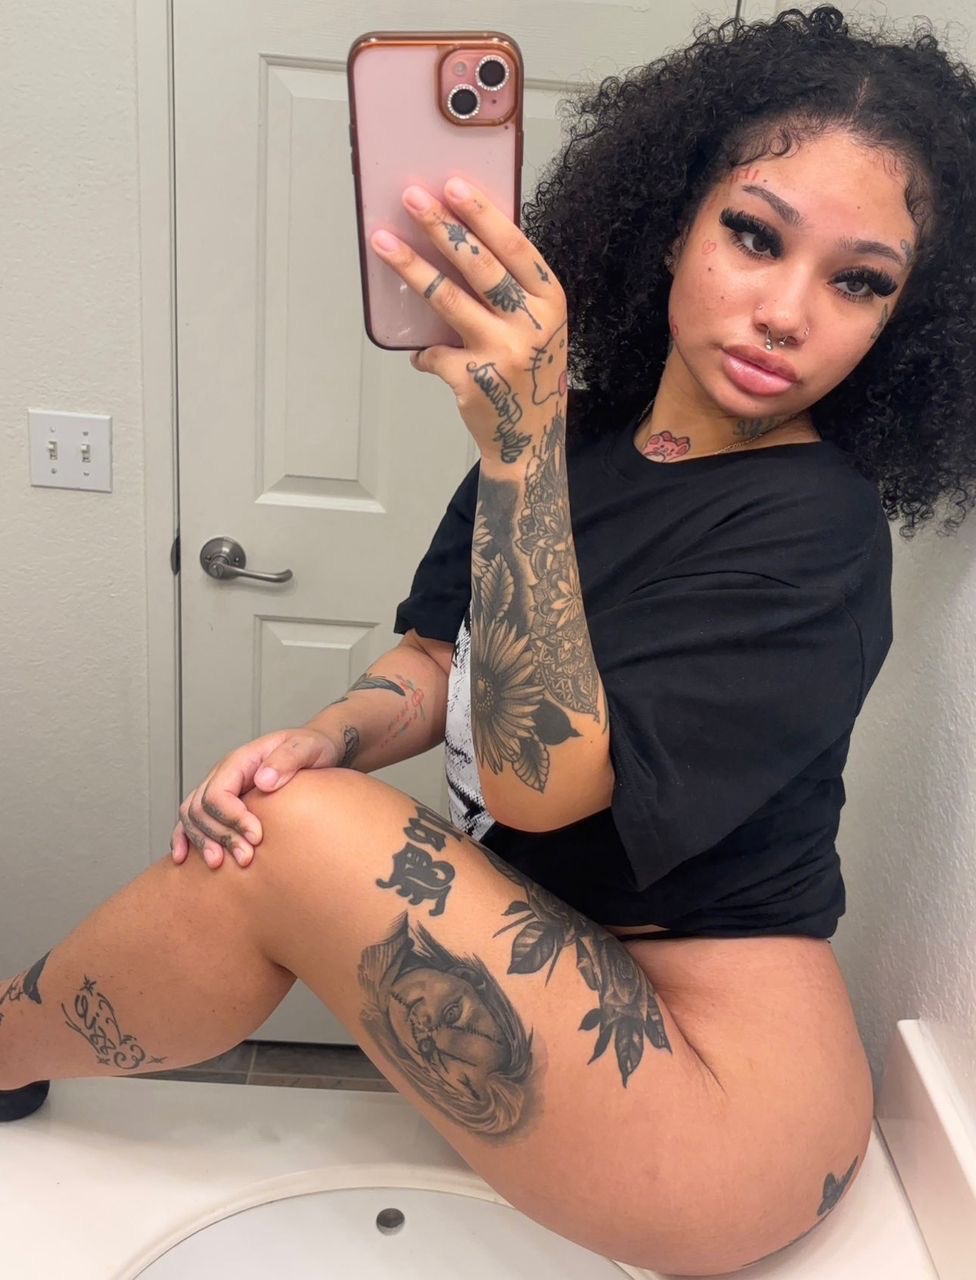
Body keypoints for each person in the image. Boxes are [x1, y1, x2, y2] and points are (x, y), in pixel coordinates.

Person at [2, 6, 975, 1273]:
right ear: (673, 223)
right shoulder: (577, 439)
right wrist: (326, 733)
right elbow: (432, 658)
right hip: (576, 1010)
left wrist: (518, 450)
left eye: (858, 281)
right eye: (753, 234)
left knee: (294, 830)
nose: (786, 311)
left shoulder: (817, 527)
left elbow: (538, 783)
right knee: (285, 801)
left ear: (902, 320)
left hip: (729, 1117)